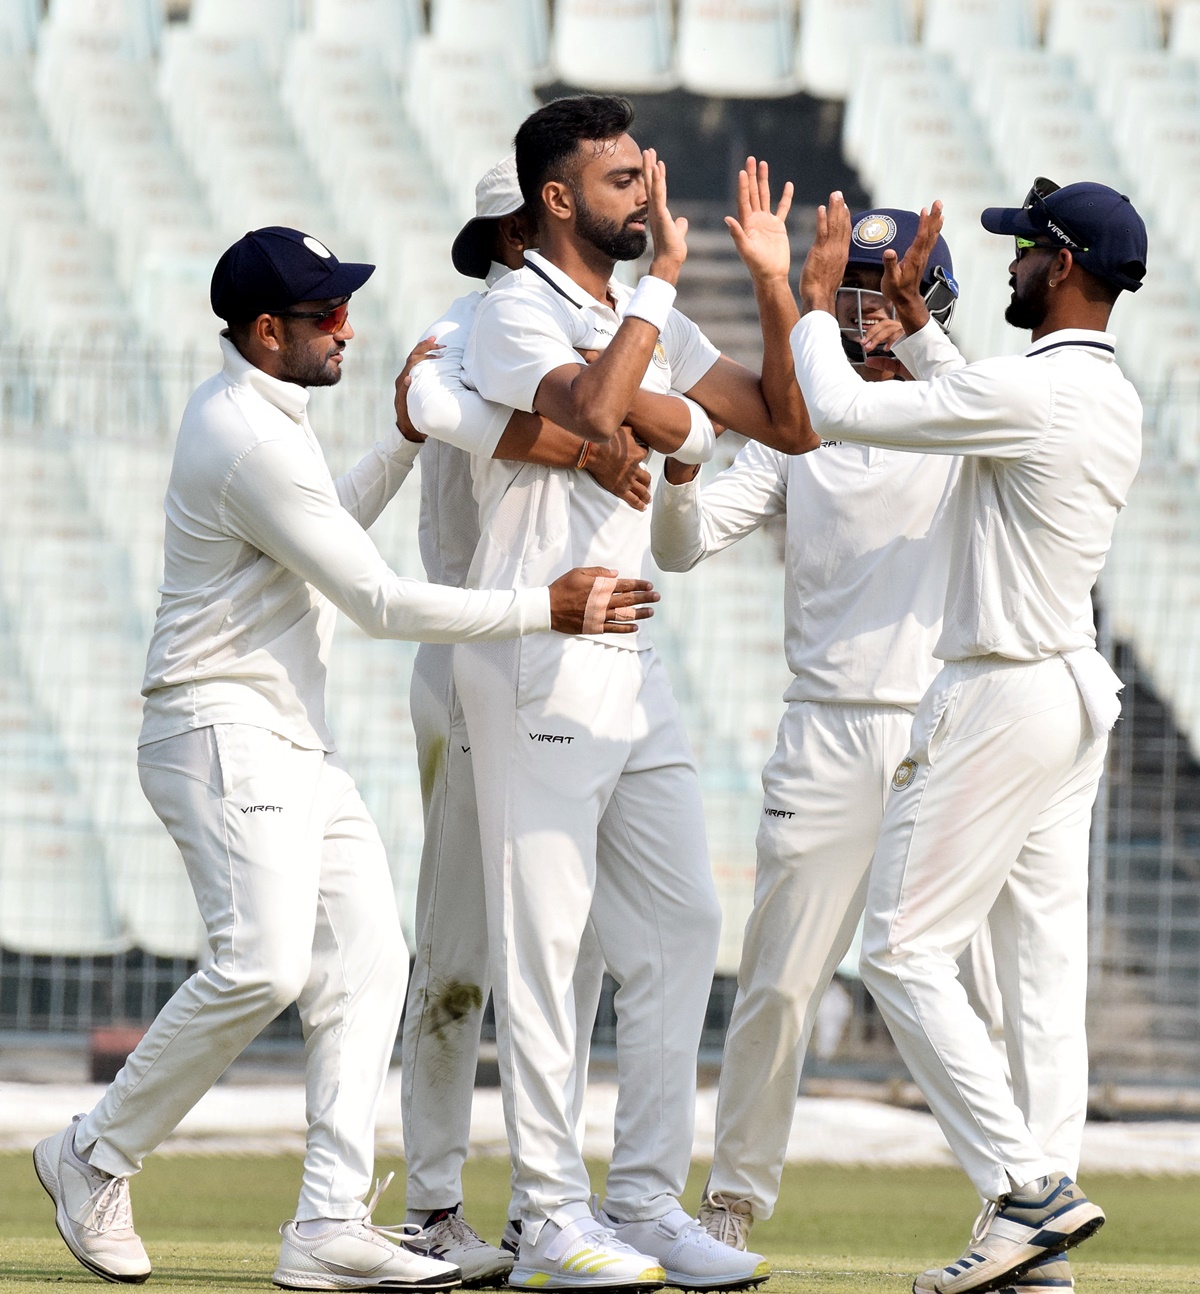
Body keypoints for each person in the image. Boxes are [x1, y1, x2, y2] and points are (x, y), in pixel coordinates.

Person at [32, 226, 658, 1290]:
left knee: (371, 962)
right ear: (266, 332)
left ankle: (327, 1220)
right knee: (265, 965)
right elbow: (373, 598)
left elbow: (333, 531)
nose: (349, 327)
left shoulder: (268, 416)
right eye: (327, 315)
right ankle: (91, 1153)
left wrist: (407, 440)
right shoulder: (247, 434)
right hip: (216, 727)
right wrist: (540, 609)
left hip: (285, 740)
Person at [457, 94, 817, 1292]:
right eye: (622, 181)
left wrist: (770, 280)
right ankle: (549, 1217)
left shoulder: (632, 313)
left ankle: (648, 1198)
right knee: (549, 946)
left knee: (678, 932)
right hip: (538, 655)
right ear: (555, 200)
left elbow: (787, 424)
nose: (648, 198)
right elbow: (601, 412)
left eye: (646, 179)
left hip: (633, 660)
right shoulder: (517, 307)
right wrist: (661, 295)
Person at [790, 180, 1147, 1294]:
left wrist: (807, 302)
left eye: (1028, 252)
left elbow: (839, 411)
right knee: (1039, 984)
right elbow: (979, 405)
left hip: (999, 693)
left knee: (898, 947)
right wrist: (927, 330)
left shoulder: (1034, 392)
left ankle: (1026, 1191)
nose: (1011, 264)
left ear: (1070, 267)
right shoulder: (1098, 391)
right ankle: (1035, 1252)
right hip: (1069, 690)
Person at [650, 189, 967, 1252]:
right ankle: (733, 1202)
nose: (873, 317)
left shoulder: (962, 411)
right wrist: (681, 473)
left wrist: (911, 321)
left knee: (968, 986)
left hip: (943, 732)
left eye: (891, 296)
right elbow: (683, 550)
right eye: (860, 298)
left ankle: (1012, 1207)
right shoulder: (800, 435)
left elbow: (964, 392)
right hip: (827, 731)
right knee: (782, 985)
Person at [398, 155, 641, 1282]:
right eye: (511, 231)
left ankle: (546, 1200)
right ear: (504, 238)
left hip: (561, 659)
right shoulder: (473, 324)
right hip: (473, 662)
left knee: (566, 948)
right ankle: (433, 1204)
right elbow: (428, 404)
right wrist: (595, 442)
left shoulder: (586, 328)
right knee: (457, 955)